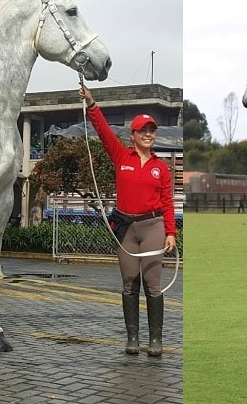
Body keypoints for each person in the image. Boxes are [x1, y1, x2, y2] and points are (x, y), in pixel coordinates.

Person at [78, 85, 177, 357]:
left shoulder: (161, 167)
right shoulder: (121, 156)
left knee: (153, 284)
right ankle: (133, 338)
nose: (148, 134)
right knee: (129, 282)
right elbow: (103, 131)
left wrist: (171, 232)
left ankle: (155, 340)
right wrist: (91, 103)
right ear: (133, 134)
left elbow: (168, 202)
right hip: (126, 229)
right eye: (143, 130)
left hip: (153, 227)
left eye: (151, 130)